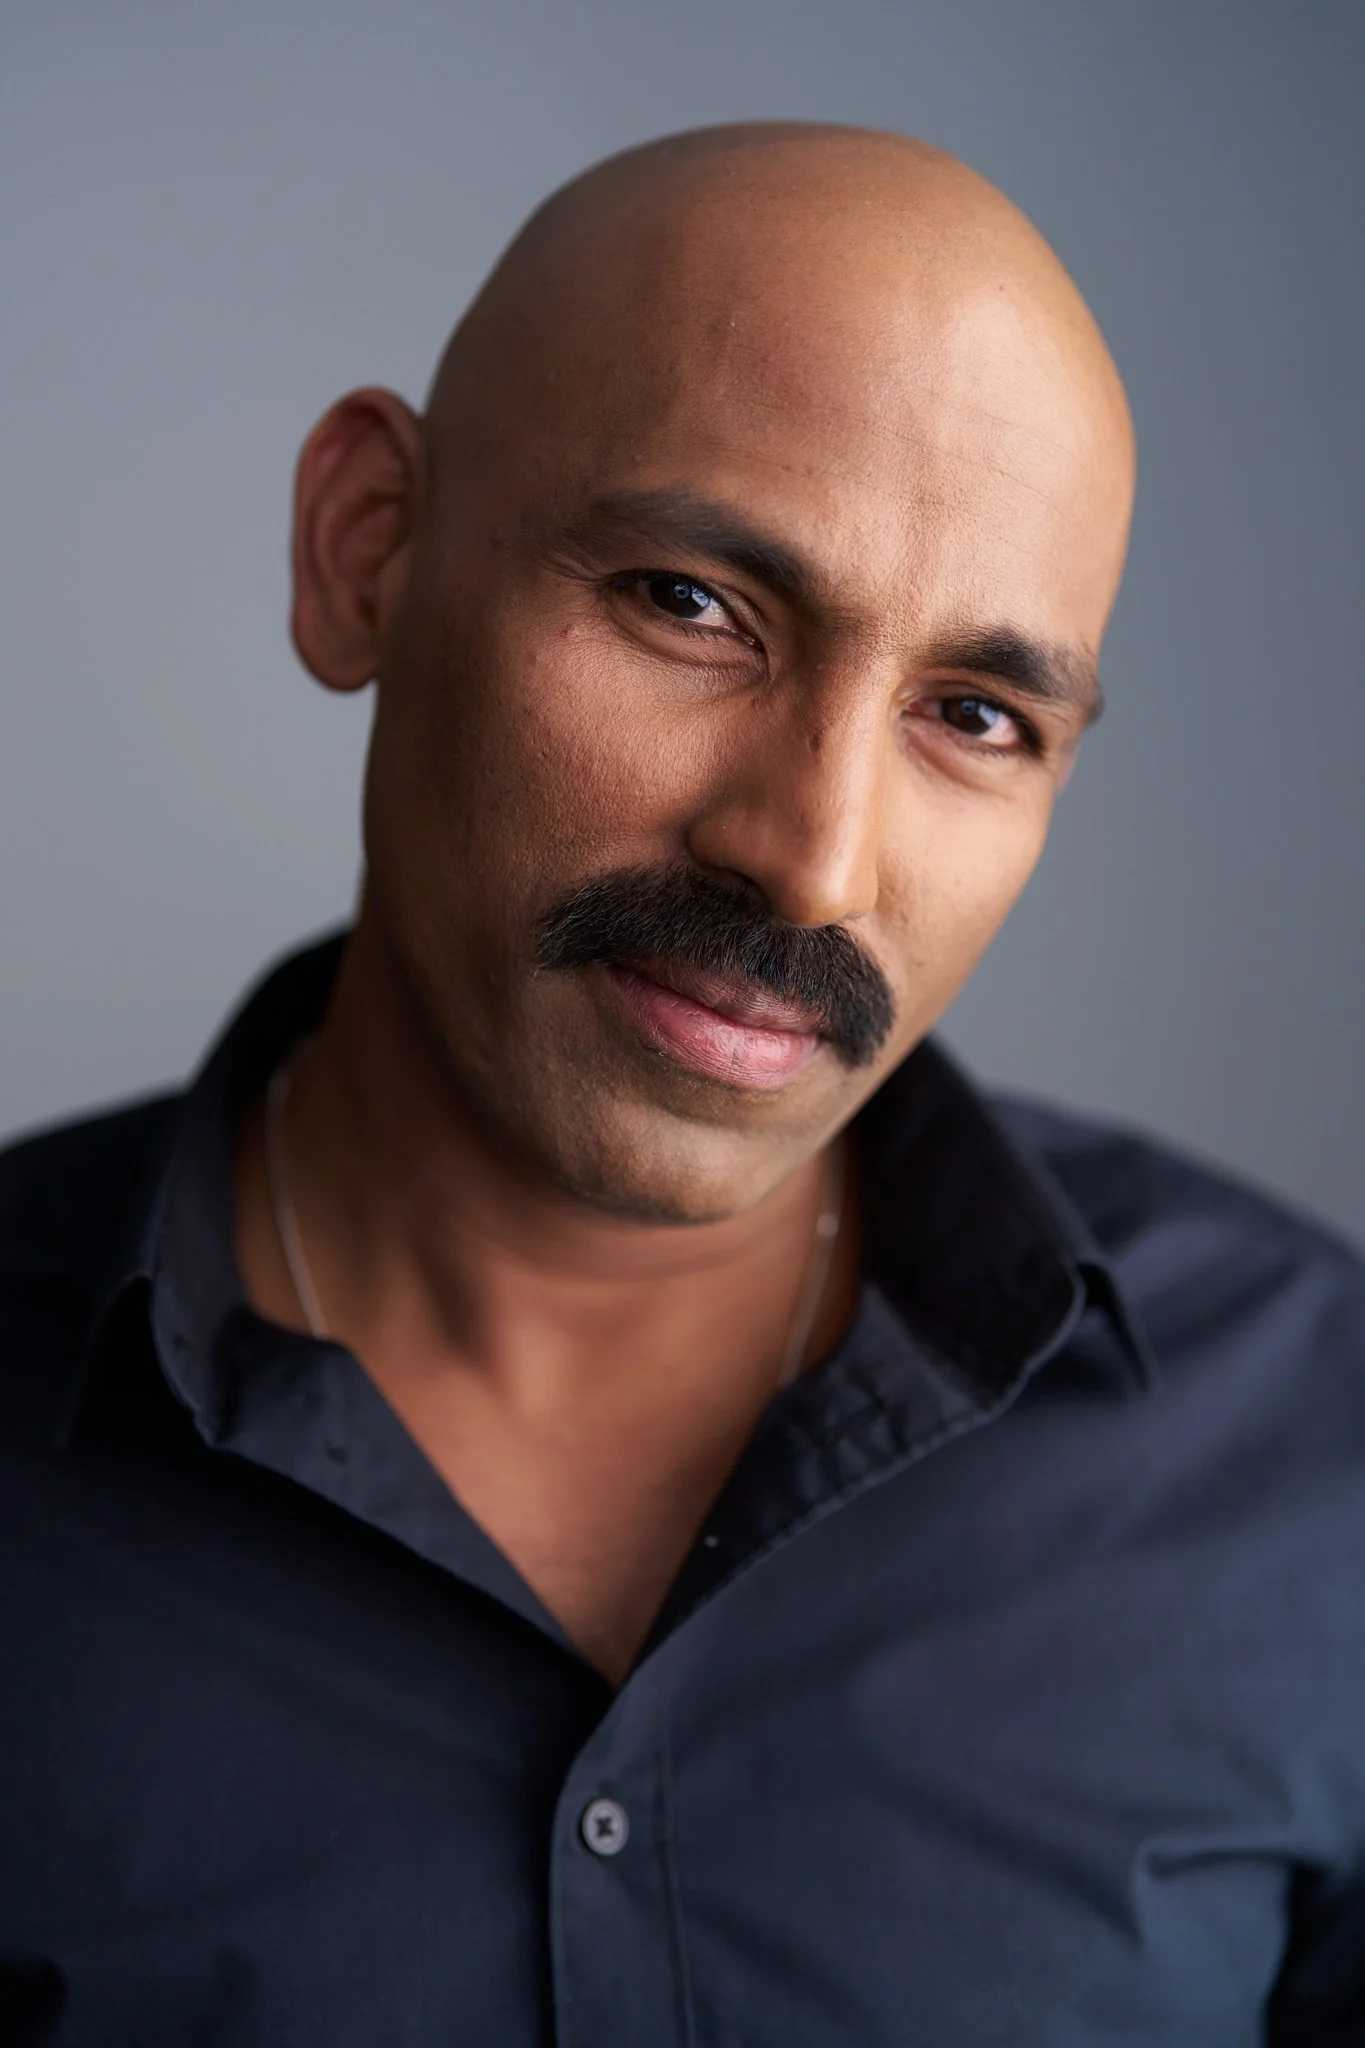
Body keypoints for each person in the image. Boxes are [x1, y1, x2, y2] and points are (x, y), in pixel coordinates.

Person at [2, 121, 1362, 2048]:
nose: (811, 858)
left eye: (975, 717)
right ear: (365, 550)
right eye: (692, 604)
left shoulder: (1317, 1462)